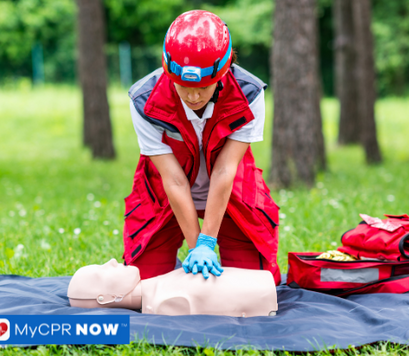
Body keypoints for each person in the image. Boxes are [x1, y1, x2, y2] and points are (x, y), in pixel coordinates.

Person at [124, 10, 280, 284]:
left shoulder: (250, 93)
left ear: (223, 72)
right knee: (142, 286)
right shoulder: (143, 100)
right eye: (183, 87)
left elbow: (224, 171)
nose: (193, 96)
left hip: (233, 195)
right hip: (164, 197)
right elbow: (172, 179)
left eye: (204, 87)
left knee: (256, 287)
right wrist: (197, 247)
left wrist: (207, 242)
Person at [68, 259, 278, 317]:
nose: (111, 261)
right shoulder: (167, 301)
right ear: (104, 299)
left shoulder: (161, 287)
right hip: (263, 294)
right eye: (101, 272)